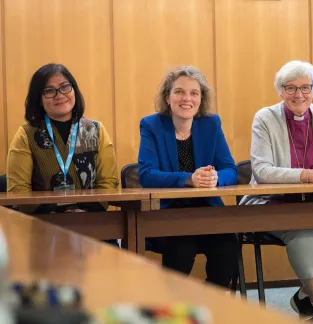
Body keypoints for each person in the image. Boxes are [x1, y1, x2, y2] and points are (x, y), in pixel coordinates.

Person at [240, 61, 313, 322]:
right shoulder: (265, 118)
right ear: (280, 91)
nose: (299, 95)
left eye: (305, 87)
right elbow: (262, 171)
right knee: (303, 231)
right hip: (272, 202)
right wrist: (306, 175)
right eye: (290, 88)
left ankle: (304, 297)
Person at [138, 66, 240, 288]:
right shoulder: (151, 125)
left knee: (228, 244)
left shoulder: (211, 124)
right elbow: (146, 175)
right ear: (168, 97)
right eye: (179, 92)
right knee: (181, 248)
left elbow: (231, 170)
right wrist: (188, 179)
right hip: (169, 214)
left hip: (206, 211)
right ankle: (174, 310)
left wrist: (216, 179)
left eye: (194, 93)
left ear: (201, 99)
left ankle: (213, 304)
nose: (187, 99)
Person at [7, 63, 118, 215]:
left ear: (74, 90)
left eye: (65, 87)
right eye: (49, 91)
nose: (59, 95)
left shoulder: (95, 130)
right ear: (39, 99)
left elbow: (108, 183)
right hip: (42, 225)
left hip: (91, 220)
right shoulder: (26, 135)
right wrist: (54, 215)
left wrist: (86, 212)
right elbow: (18, 190)